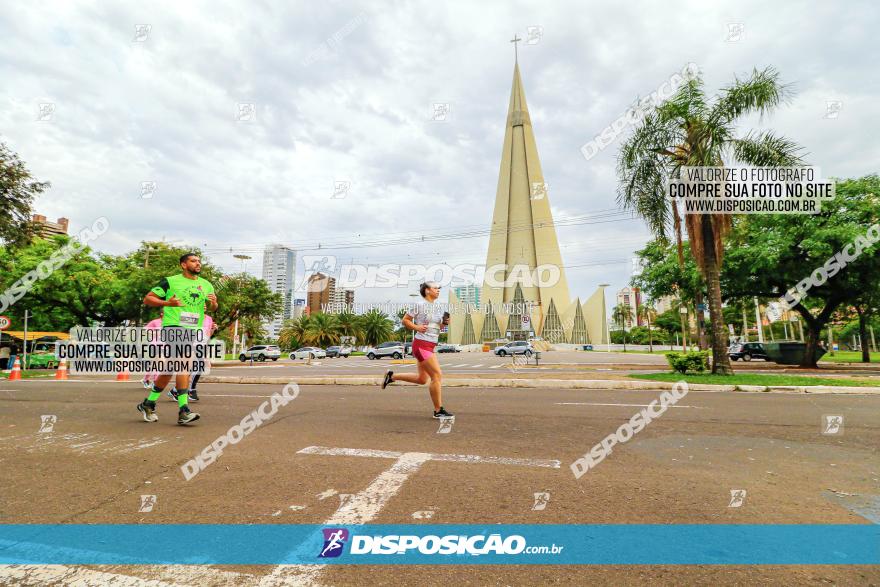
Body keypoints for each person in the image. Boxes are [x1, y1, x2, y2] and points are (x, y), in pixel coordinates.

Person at [137, 253, 217, 425]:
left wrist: (214, 303)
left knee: (170, 369)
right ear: (183, 264)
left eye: (199, 261)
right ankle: (183, 410)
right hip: (173, 326)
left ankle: (148, 403)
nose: (198, 264)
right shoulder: (170, 281)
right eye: (193, 261)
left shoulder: (206, 285)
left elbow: (211, 307)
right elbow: (148, 298)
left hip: (193, 329)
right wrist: (168, 303)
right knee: (184, 363)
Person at [381, 281, 453, 419]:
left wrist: (444, 323)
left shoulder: (438, 307)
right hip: (421, 345)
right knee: (436, 376)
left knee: (421, 379)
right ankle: (438, 411)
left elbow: (438, 328)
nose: (438, 290)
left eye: (439, 288)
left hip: (430, 345)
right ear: (427, 290)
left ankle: (391, 377)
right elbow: (405, 320)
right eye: (435, 288)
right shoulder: (419, 304)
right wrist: (417, 328)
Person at [168, 315, 215, 402]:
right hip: (191, 344)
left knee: (190, 370)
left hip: (201, 345)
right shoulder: (191, 314)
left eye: (205, 304)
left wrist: (212, 329)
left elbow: (208, 335)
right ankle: (191, 390)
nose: (204, 305)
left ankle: (175, 390)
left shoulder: (209, 319)